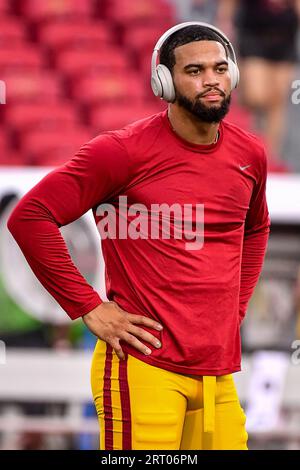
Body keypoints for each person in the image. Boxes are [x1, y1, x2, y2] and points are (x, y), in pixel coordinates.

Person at [7, 22, 271, 450]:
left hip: (218, 373)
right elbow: (30, 217)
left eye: (220, 69)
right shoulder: (121, 152)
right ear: (163, 82)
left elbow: (257, 227)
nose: (211, 80)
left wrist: (236, 306)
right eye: (195, 70)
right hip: (141, 367)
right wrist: (88, 307)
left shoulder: (250, 154)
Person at [216, 0, 300, 160]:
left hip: (284, 37)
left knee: (277, 101)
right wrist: (224, 21)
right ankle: (246, 102)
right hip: (253, 35)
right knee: (256, 95)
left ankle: (269, 156)